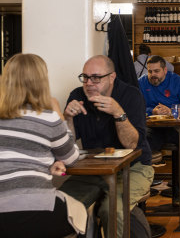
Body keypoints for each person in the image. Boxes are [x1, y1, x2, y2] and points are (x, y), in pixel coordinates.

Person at [63, 55, 154, 238]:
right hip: (93, 171)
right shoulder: (77, 96)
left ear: (111, 77)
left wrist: (119, 114)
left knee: (111, 210)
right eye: (85, 77)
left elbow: (132, 144)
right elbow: (67, 146)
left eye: (96, 77)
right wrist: (68, 119)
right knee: (61, 207)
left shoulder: (131, 95)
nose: (89, 83)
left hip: (134, 169)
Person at [0, 53, 86, 238]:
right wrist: (59, 114)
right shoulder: (47, 118)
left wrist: (47, 162)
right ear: (41, 81)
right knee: (82, 214)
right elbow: (71, 158)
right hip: (38, 210)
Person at [138, 55, 180, 202]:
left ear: (165, 70)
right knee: (139, 149)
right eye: (150, 71)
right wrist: (152, 111)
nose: (152, 75)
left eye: (156, 71)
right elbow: (135, 107)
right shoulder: (141, 83)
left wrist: (171, 111)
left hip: (177, 127)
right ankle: (141, 191)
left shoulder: (177, 82)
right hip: (153, 129)